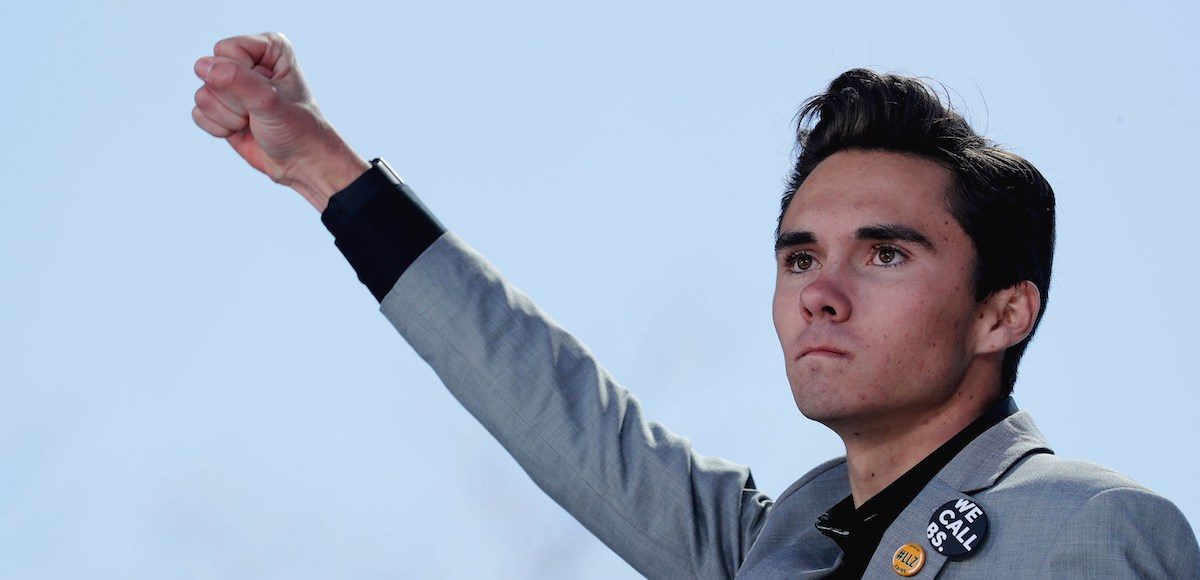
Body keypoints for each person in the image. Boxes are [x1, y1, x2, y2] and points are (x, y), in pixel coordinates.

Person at [191, 32, 1200, 578]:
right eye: (800, 258)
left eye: (885, 254)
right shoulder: (775, 548)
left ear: (1001, 314)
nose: (824, 296)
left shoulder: (1091, 529)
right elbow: (558, 411)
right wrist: (324, 170)